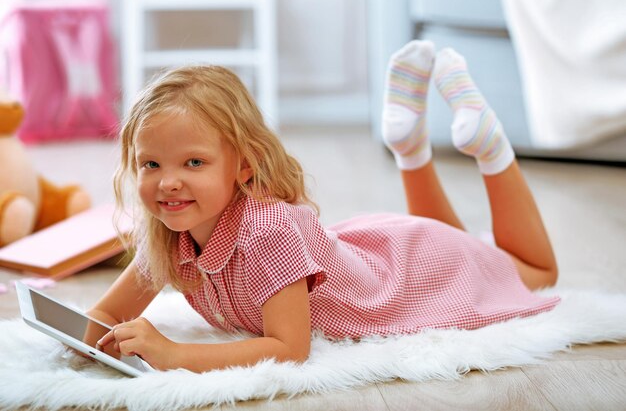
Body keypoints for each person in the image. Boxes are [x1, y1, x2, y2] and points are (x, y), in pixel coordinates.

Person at [91, 40, 560, 372]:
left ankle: (490, 146)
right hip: (384, 253)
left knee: (535, 272)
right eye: (150, 164)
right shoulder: (169, 234)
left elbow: (289, 348)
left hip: (404, 276)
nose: (168, 182)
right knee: (467, 246)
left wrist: (175, 353)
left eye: (194, 162)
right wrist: (89, 340)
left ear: (245, 166)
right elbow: (106, 316)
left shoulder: (266, 234)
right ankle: (409, 148)